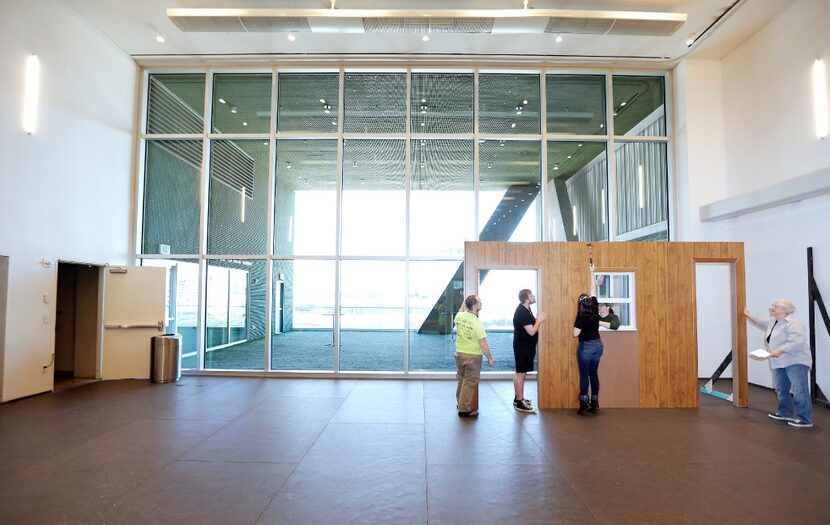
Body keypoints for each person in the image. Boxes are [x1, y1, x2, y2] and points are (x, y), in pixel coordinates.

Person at [745, 299, 813, 428]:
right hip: (779, 361)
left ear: (784, 309)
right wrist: (748, 314)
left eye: (774, 306)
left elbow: (797, 341)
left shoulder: (794, 323)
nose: (772, 308)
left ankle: (805, 419)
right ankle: (785, 413)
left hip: (795, 361)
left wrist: (781, 350)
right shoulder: (773, 322)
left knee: (800, 390)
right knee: (781, 388)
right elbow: (760, 320)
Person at [454, 294, 494, 417]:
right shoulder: (477, 323)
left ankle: (460, 403)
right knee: (469, 382)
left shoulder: (459, 317)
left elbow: (461, 310)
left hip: (459, 354)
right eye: (479, 302)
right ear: (475, 306)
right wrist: (489, 358)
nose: (481, 303)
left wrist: (464, 303)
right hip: (472, 357)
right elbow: (483, 344)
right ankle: (464, 410)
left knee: (462, 380)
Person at [573, 265, 603, 415]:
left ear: (580, 304)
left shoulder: (581, 316)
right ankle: (595, 402)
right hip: (598, 345)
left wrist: (578, 323)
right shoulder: (595, 308)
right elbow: (593, 288)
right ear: (590, 302)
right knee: (594, 374)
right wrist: (592, 271)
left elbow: (575, 334)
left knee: (584, 375)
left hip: (586, 347)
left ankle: (584, 403)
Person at [512, 289, 548, 412]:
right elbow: (532, 331)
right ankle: (520, 402)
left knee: (520, 372)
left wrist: (537, 319)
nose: (533, 296)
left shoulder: (526, 310)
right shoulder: (522, 312)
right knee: (521, 373)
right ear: (527, 299)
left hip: (525, 346)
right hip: (523, 347)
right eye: (531, 295)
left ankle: (518, 398)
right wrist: (539, 320)